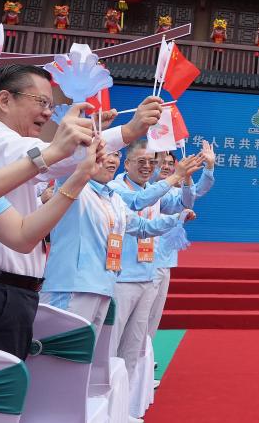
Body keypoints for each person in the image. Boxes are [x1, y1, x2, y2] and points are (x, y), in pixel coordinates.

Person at [0, 64, 162, 358]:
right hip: (2, 291)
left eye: (50, 105)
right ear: (4, 100)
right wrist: (126, 132)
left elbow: (22, 235)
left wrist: (85, 155)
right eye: (41, 102)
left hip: (14, 292)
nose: (47, 113)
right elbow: (49, 159)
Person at [40, 148, 195, 334]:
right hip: (72, 287)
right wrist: (176, 176)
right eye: (105, 154)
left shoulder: (113, 199)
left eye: (115, 155)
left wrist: (177, 219)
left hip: (104, 286)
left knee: (99, 350)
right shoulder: (74, 187)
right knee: (62, 348)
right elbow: (70, 155)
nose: (112, 160)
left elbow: (142, 227)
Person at [108, 139, 204, 412]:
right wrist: (175, 177)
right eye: (141, 161)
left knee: (134, 346)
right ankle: (105, 406)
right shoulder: (115, 188)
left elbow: (184, 201)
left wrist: (187, 180)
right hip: (120, 279)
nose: (147, 167)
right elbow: (137, 203)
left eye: (152, 162)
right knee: (111, 348)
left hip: (147, 275)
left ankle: (124, 409)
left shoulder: (153, 190)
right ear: (127, 163)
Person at [147, 145, 216, 351]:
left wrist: (208, 167)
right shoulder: (145, 189)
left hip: (165, 259)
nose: (166, 167)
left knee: (154, 314)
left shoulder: (174, 191)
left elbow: (194, 194)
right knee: (141, 315)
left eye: (170, 163)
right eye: (162, 162)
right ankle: (133, 357)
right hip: (143, 261)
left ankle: (145, 357)